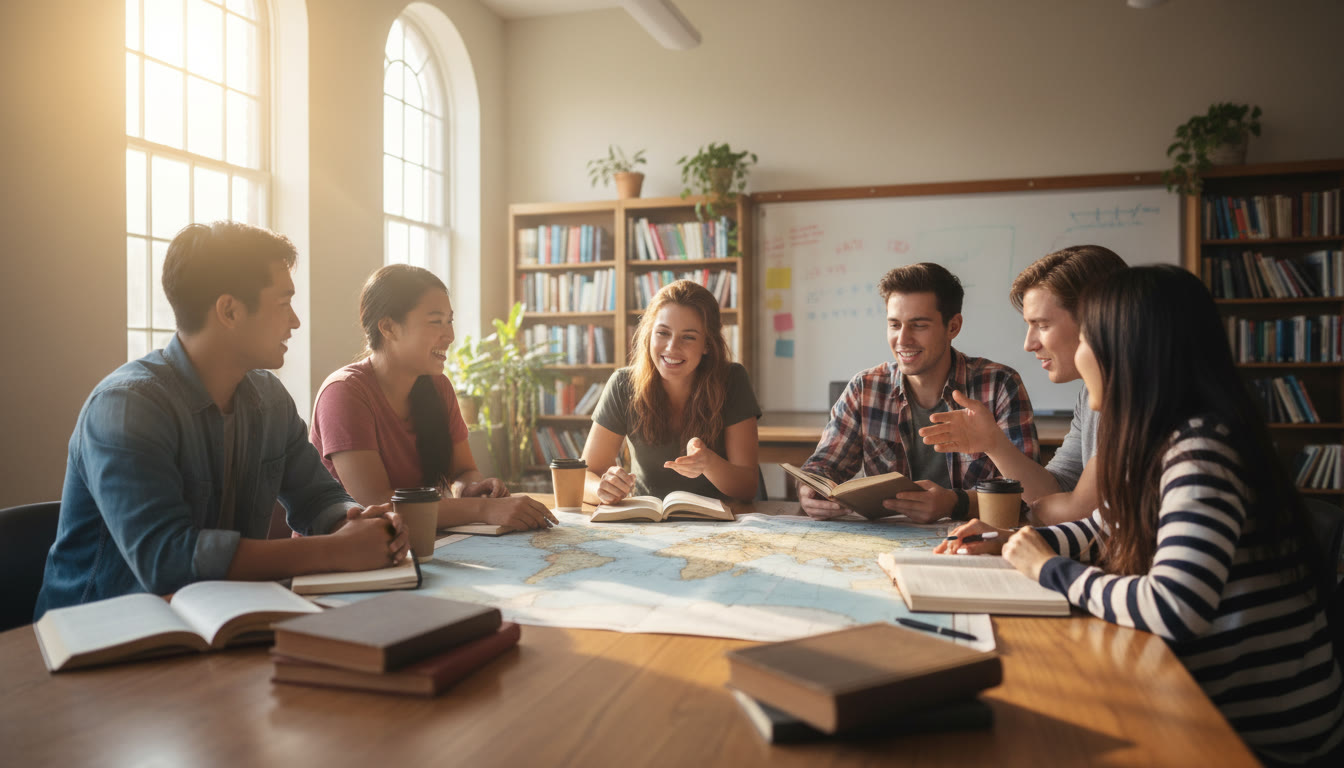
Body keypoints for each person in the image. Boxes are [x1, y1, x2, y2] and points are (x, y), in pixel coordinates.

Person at [940, 265, 1344, 766]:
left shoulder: (1200, 451)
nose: (1079, 354)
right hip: (1200, 704)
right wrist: (1010, 541)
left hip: (1258, 743)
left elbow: (1175, 607)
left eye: (1087, 339)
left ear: (1129, 350)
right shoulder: (1164, 438)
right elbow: (1101, 529)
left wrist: (1048, 569)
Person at [35, 222, 407, 618]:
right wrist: (334, 550)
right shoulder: (126, 406)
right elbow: (166, 560)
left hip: (215, 619)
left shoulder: (269, 399)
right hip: (97, 635)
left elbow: (317, 497)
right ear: (229, 310)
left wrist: (355, 521)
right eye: (283, 303)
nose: (295, 321)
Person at [310, 264, 556, 532]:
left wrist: (471, 489)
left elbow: (461, 472)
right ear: (389, 327)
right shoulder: (345, 392)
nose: (449, 336)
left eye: (449, 321)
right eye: (435, 322)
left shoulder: (438, 388)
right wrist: (484, 509)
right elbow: (377, 503)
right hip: (342, 558)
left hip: (418, 544)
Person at [799, 262, 1037, 523]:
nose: (902, 339)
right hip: (888, 540)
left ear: (953, 327)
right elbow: (823, 466)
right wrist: (810, 490)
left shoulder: (999, 385)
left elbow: (1026, 495)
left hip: (972, 539)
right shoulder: (864, 388)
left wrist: (953, 503)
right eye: (894, 325)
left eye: (919, 325)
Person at [917, 246, 1126, 524]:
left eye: (1042, 325)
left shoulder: (1132, 397)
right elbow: (1055, 490)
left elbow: (1081, 511)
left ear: (1098, 320)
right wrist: (993, 443)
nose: (1029, 344)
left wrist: (1033, 511)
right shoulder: (1089, 394)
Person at [583, 280, 761, 504]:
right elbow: (584, 476)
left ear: (707, 344)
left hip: (721, 523)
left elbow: (747, 486)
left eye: (688, 337)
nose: (671, 348)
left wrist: (709, 464)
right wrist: (601, 488)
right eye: (663, 333)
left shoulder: (732, 380)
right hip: (648, 523)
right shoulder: (622, 384)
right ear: (649, 335)